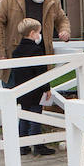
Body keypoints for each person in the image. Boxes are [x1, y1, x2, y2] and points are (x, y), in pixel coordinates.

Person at [0, 0, 70, 79]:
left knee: (40, 93)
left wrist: (64, 30)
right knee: (14, 92)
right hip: (15, 57)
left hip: (41, 57)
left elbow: (62, 19)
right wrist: (0, 54)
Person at [7, 18, 54, 157]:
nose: (39, 35)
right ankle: (37, 144)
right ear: (33, 33)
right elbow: (41, 72)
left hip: (22, 89)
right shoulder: (36, 50)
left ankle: (23, 145)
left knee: (24, 115)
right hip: (35, 89)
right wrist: (47, 88)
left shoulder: (16, 51)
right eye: (38, 33)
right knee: (35, 116)